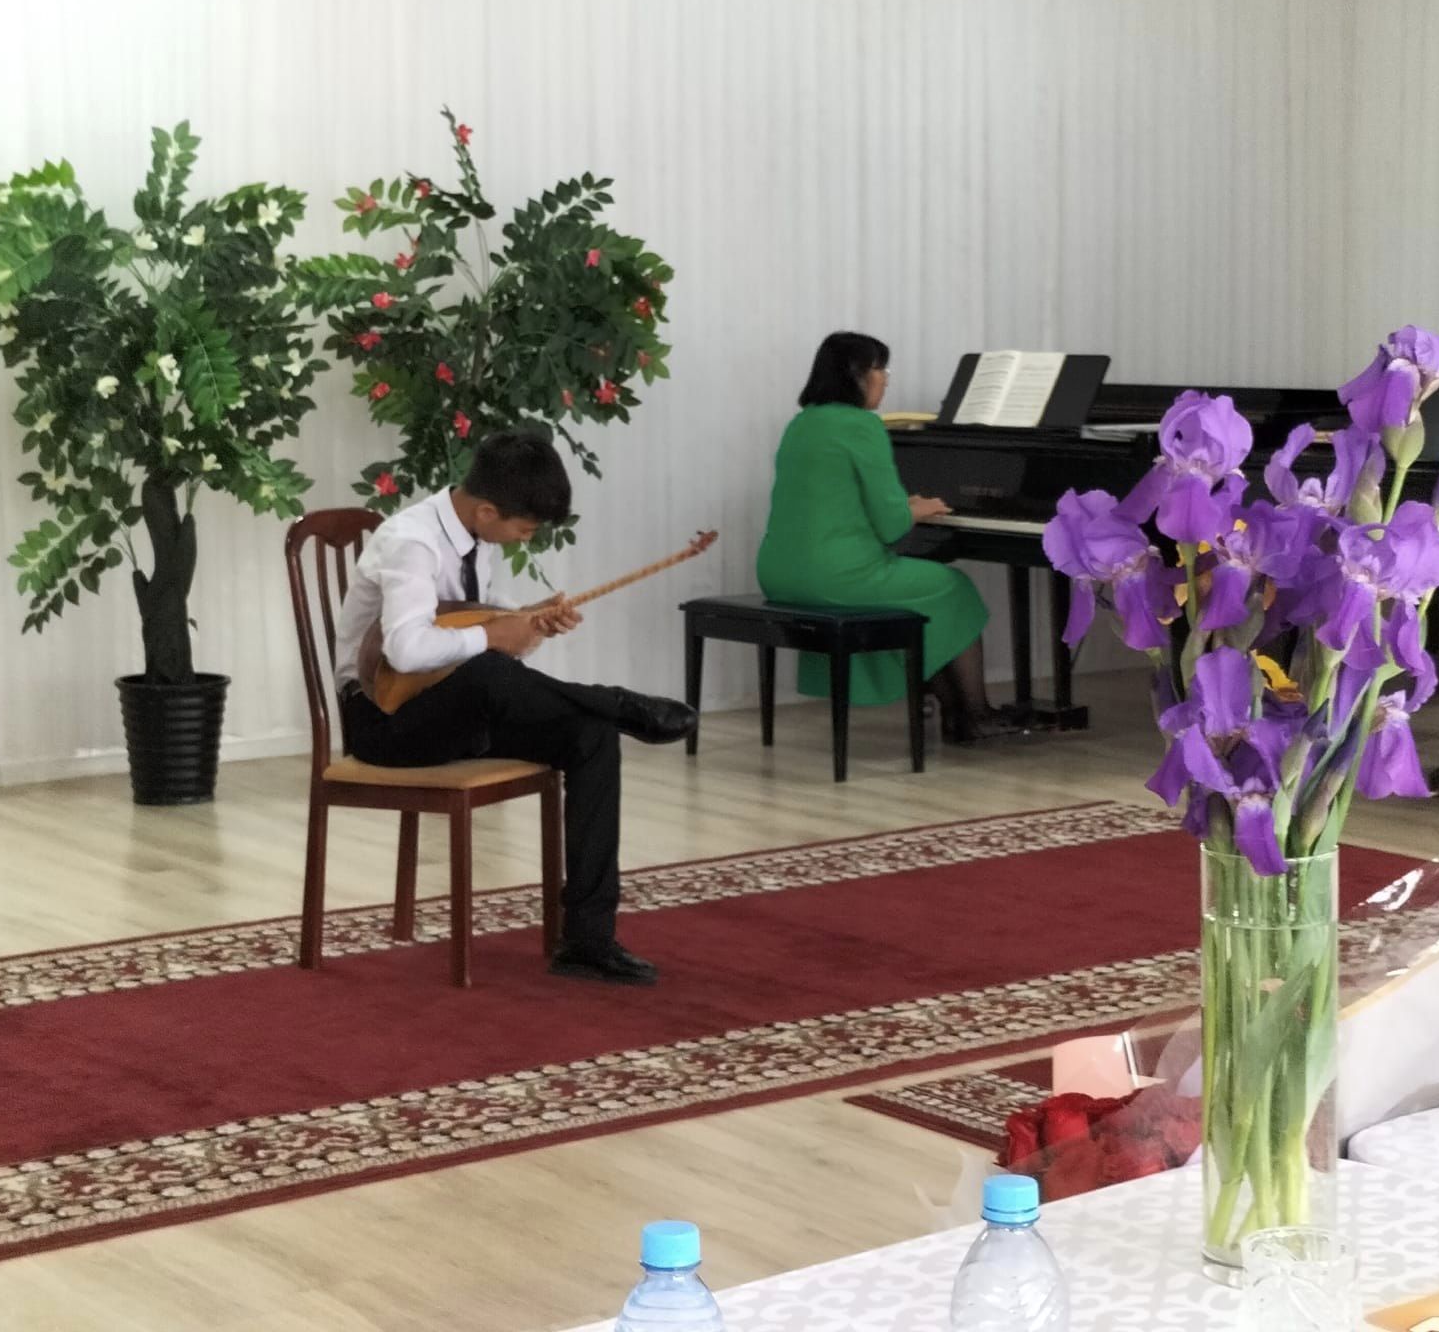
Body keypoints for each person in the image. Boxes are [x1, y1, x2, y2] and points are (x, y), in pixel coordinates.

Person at [332, 431, 696, 986]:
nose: (526, 539)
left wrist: (528, 621)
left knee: (590, 734)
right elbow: (406, 650)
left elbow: (474, 624)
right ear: (486, 510)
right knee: (489, 671)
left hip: (456, 708)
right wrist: (495, 636)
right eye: (524, 530)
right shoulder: (411, 541)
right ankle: (615, 701)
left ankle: (589, 940)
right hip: (385, 724)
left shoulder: (478, 537)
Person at [756, 332, 1010, 742]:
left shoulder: (801, 424)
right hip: (835, 576)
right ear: (855, 374)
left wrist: (903, 505)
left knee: (923, 596)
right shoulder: (862, 426)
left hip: (780, 573)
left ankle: (955, 713)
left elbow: (836, 501)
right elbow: (891, 525)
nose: (886, 379)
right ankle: (975, 714)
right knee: (954, 588)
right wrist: (918, 509)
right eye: (879, 368)